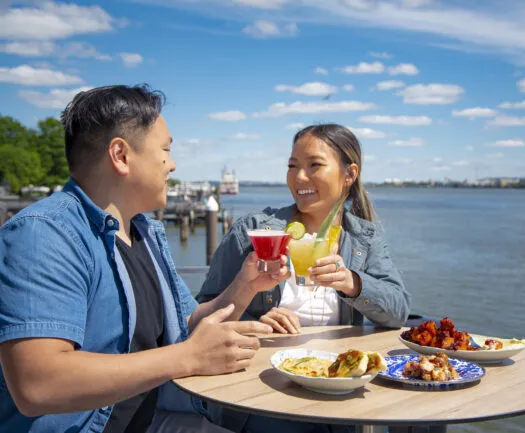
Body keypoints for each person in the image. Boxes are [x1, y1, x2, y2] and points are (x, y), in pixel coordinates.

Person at [0, 84, 288, 433]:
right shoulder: (45, 234)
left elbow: (189, 322)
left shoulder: (146, 233)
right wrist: (187, 357)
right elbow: (37, 384)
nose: (172, 164)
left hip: (152, 416)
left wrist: (245, 285)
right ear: (120, 155)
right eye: (165, 150)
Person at [197, 123, 411, 433]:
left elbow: (398, 310)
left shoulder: (366, 238)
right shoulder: (254, 231)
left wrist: (353, 282)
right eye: (293, 166)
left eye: (314, 166)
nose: (299, 178)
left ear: (349, 174)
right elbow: (205, 309)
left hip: (338, 387)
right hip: (263, 389)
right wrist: (256, 319)